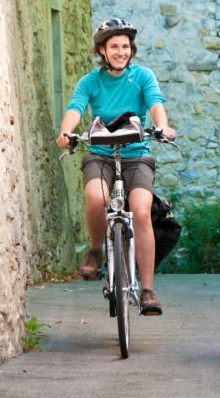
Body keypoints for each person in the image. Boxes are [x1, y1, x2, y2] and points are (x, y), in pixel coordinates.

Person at [56, 18, 176, 316]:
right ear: (102, 50)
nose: (121, 52)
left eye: (125, 46)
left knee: (142, 212)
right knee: (97, 199)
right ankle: (96, 251)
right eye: (114, 47)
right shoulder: (91, 81)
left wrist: (163, 126)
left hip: (136, 154)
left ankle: (147, 289)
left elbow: (155, 103)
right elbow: (75, 108)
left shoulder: (142, 77)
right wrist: (65, 133)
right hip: (100, 154)